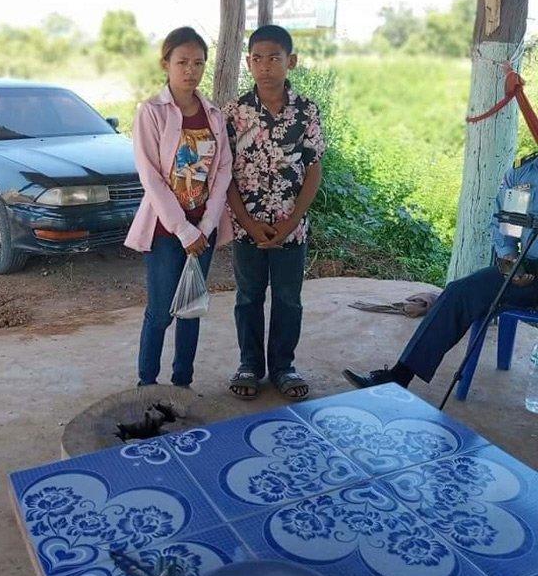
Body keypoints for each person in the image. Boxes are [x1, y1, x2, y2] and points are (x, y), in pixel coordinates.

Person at [344, 152, 538, 390]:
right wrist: (511, 262)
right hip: (526, 268)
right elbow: (507, 226)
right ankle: (399, 376)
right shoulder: (523, 173)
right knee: (459, 292)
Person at [125, 27, 233, 388]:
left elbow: (223, 169)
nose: (191, 70)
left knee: (190, 309)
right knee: (160, 312)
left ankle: (182, 384)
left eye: (198, 63)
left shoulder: (213, 114)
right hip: (165, 230)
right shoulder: (152, 112)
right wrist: (183, 229)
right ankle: (147, 385)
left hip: (203, 229)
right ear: (165, 64)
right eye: (182, 62)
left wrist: (206, 225)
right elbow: (151, 176)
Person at [223, 24, 325, 401]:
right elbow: (225, 173)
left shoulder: (306, 111)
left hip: (290, 229)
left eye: (274, 58)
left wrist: (291, 221)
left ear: (291, 61)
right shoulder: (235, 112)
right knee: (248, 297)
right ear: (248, 63)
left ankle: (283, 367)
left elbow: (313, 169)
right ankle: (249, 364)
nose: (265, 66)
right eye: (257, 59)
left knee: (288, 299)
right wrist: (248, 222)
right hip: (246, 227)